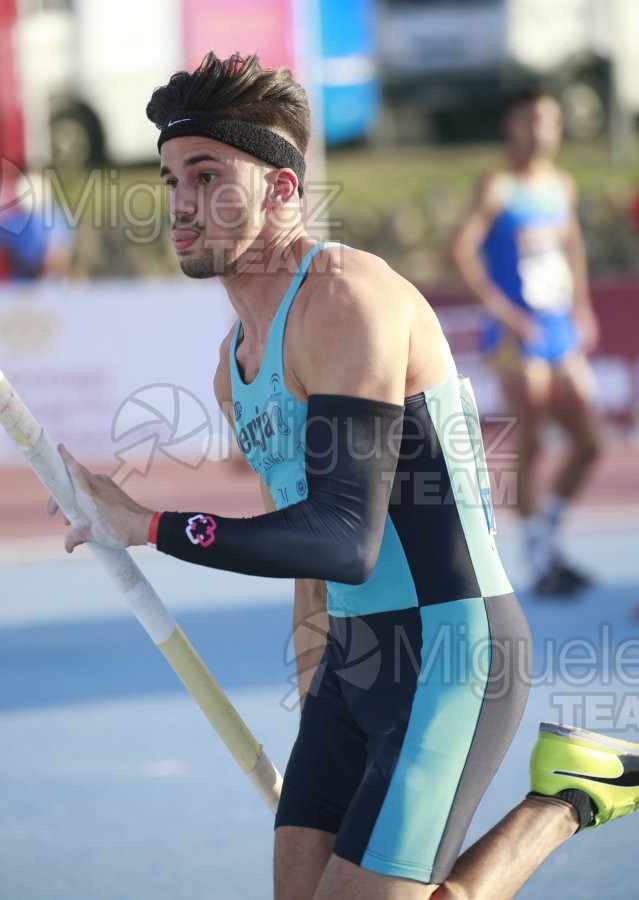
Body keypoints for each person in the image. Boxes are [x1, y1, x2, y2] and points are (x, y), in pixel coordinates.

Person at [52, 55, 639, 900]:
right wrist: (314, 689)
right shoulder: (233, 366)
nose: (180, 202)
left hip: (448, 651)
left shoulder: (344, 295)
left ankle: (566, 803)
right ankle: (576, 782)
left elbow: (344, 536)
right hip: (351, 668)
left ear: (284, 189)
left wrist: (149, 525)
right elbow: (307, 557)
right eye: (171, 177)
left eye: (208, 175)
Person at [449, 87, 603, 597]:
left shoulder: (561, 184)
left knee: (591, 441)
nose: (541, 131)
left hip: (559, 329)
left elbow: (572, 246)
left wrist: (581, 308)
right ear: (512, 126)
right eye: (531, 120)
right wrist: (506, 313)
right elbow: (460, 251)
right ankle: (538, 558)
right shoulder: (499, 186)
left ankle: (545, 536)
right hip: (519, 337)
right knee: (532, 440)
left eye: (550, 120)